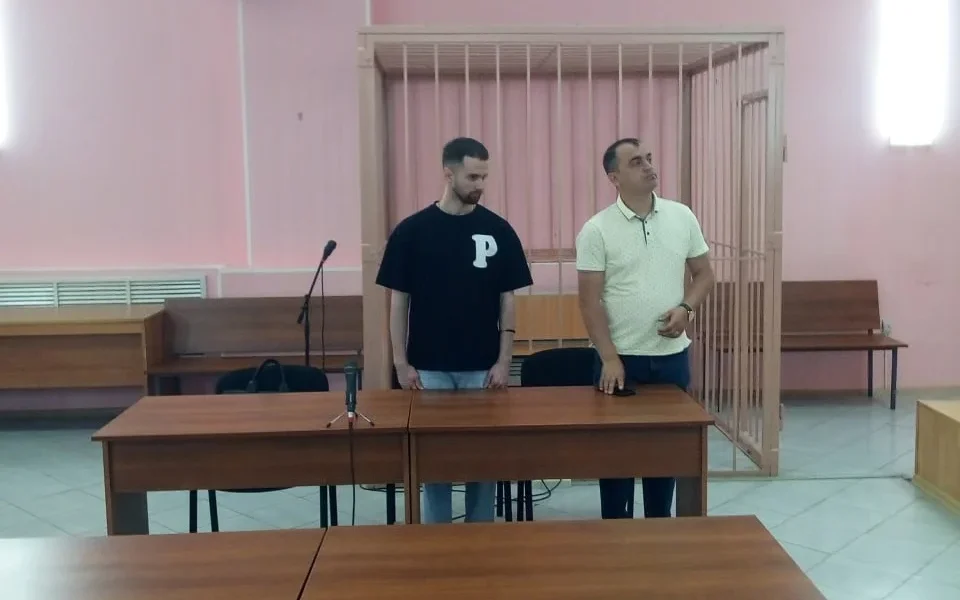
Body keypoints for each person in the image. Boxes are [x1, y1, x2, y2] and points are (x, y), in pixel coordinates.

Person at [375, 136, 534, 524]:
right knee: (436, 464)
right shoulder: (412, 232)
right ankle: (437, 538)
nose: (480, 185)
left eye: (484, 177)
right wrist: (400, 363)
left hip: (483, 367)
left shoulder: (498, 230)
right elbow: (398, 302)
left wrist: (505, 360)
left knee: (483, 461)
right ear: (449, 174)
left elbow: (507, 299)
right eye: (472, 176)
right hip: (429, 368)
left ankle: (481, 534)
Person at [575, 137, 716, 519]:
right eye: (636, 162)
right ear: (614, 177)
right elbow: (589, 301)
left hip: (671, 358)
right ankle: (615, 531)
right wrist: (609, 358)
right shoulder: (597, 229)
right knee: (616, 460)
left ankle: (659, 529)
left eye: (649, 158)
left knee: (664, 456)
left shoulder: (681, 216)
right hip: (620, 361)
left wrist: (686, 307)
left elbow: (704, 275)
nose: (649, 166)